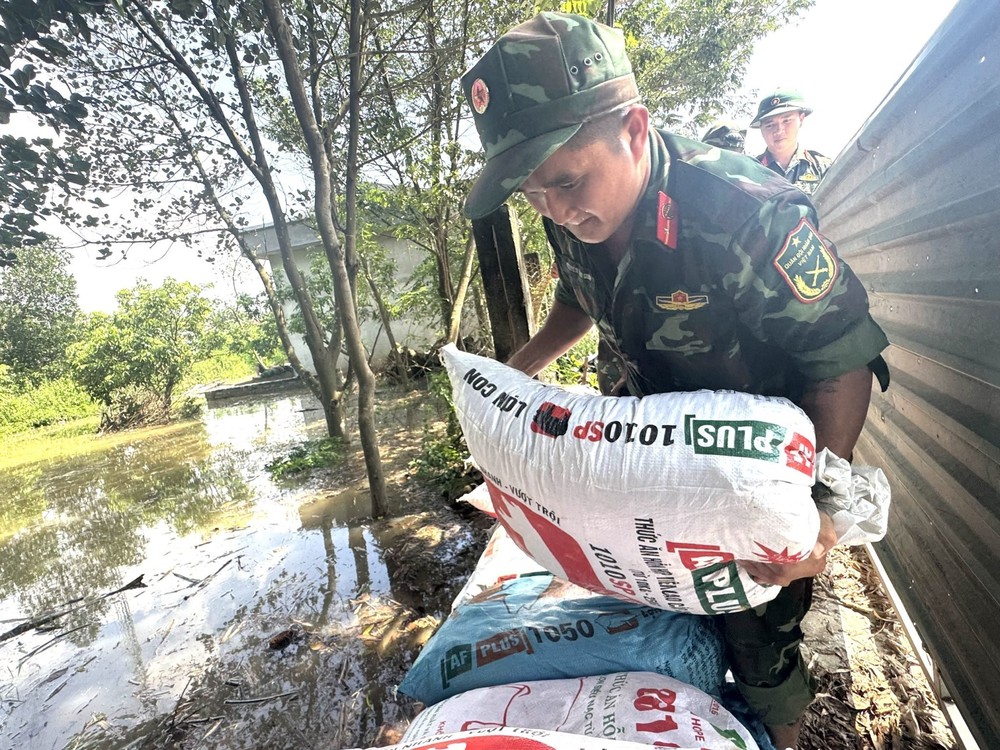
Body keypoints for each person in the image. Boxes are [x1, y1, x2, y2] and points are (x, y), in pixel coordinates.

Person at [460, 12, 889, 749]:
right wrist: (518, 370)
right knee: (666, 606)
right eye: (534, 195)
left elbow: (840, 354)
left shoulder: (745, 215)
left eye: (565, 182)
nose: (557, 209)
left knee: (759, 642)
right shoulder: (573, 209)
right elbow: (577, 295)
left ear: (633, 127)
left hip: (746, 478)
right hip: (650, 450)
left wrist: (819, 505)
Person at [751, 88, 832, 194]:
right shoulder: (749, 171)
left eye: (786, 121)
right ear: (761, 128)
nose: (779, 130)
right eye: (770, 125)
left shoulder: (821, 167)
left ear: (801, 119)